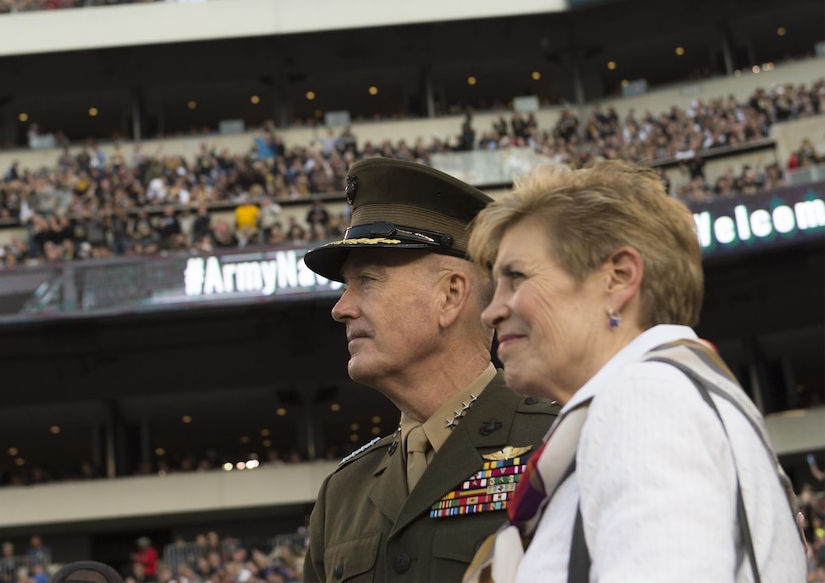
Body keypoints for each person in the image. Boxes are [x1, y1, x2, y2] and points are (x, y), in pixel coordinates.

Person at [462, 160, 805, 582]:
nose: (493, 311)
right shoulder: (659, 395)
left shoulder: (647, 398)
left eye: (517, 277)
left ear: (618, 278)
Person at [301, 157, 558, 582]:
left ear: (450, 296)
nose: (340, 309)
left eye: (367, 280)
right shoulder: (342, 495)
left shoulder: (557, 444)